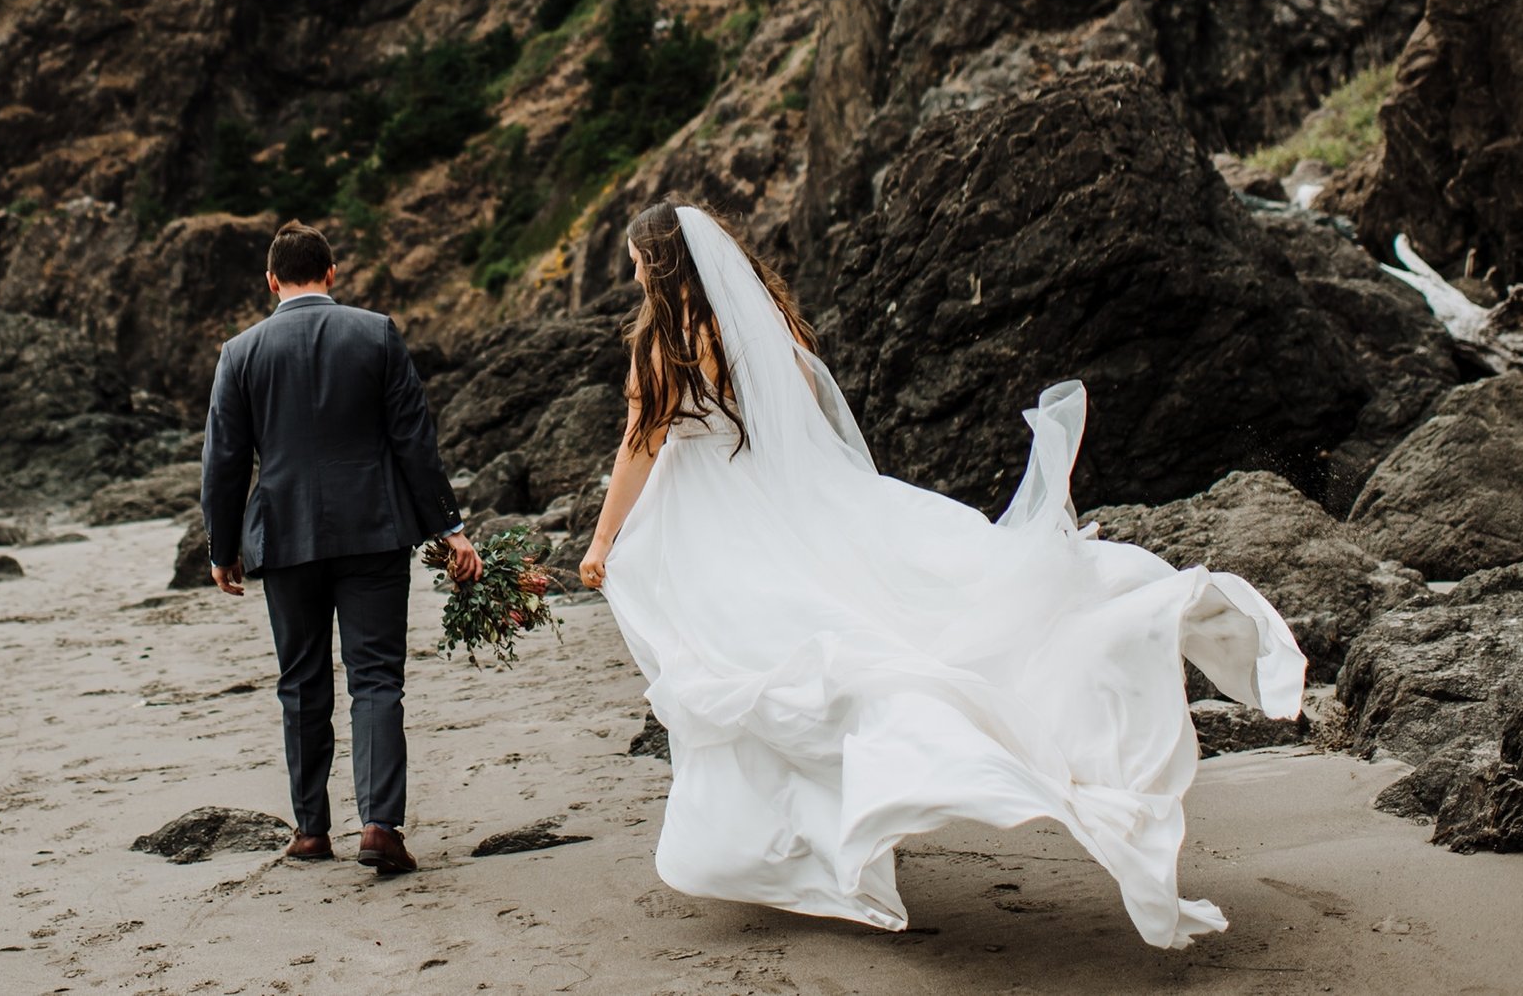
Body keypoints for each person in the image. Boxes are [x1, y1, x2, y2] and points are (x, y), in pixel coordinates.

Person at [578, 200, 1304, 949]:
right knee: (818, 662)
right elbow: (801, 422)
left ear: (658, 262)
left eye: (635, 257)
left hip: (723, 531)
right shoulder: (762, 324)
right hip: (786, 510)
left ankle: (801, 844)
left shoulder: (665, 342)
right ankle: (822, 835)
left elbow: (640, 446)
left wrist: (602, 542)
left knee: (761, 676)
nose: (630, 268)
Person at [201, 220, 481, 874]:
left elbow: (224, 460)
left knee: (300, 682)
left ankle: (309, 829)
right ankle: (380, 823)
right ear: (331, 273)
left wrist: (222, 547)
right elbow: (415, 438)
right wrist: (451, 525)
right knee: (377, 678)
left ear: (271, 281)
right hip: (373, 530)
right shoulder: (375, 331)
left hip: (286, 534)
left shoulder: (239, 352)